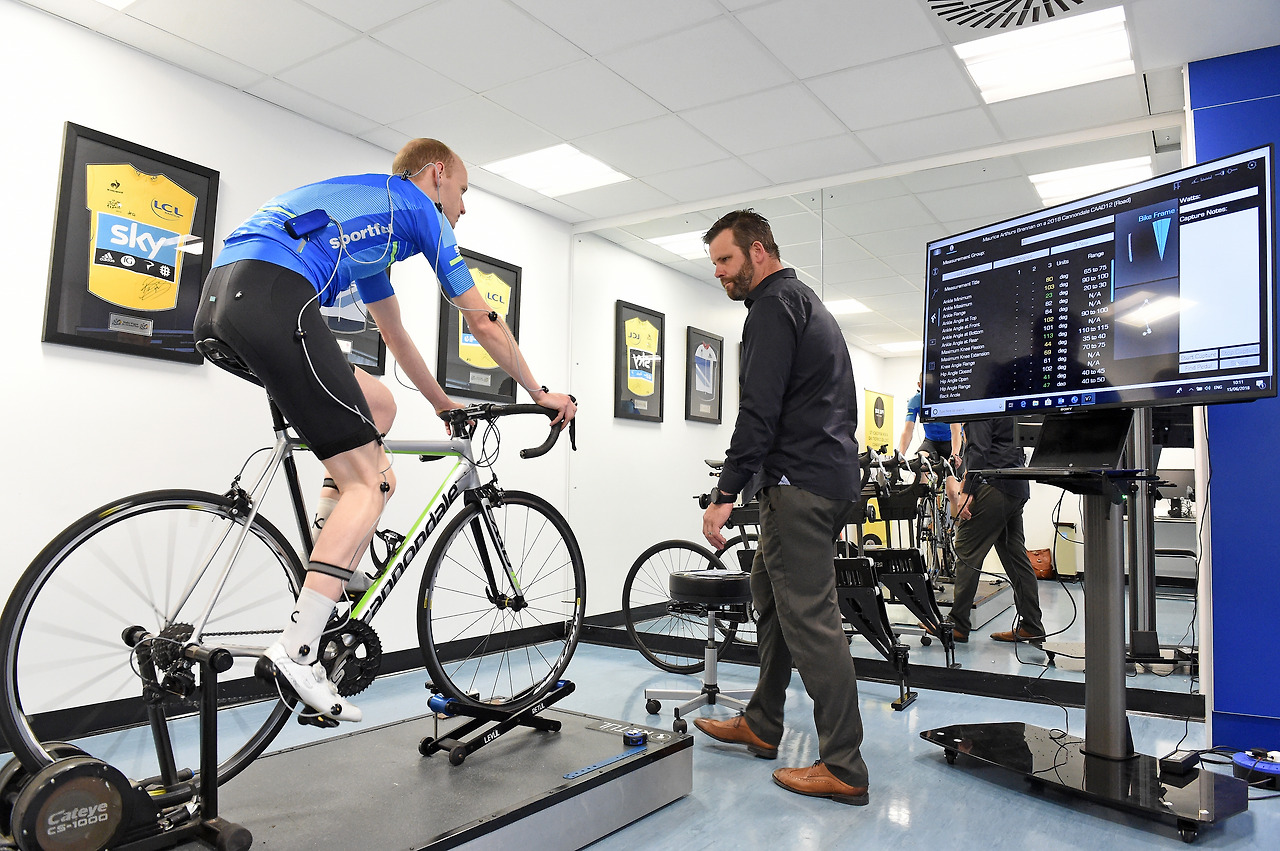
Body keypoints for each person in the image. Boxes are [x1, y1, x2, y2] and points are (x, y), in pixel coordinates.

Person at [193, 139, 576, 722]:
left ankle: (338, 564)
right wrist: (539, 391)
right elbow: (482, 317)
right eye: (464, 192)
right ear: (437, 174)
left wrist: (444, 402)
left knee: (378, 402)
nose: (463, 209)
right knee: (369, 485)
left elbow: (395, 337)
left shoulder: (375, 232)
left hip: (223, 301)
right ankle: (300, 650)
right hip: (275, 296)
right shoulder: (416, 207)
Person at [697, 209, 870, 806]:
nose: (720, 272)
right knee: (769, 599)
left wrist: (724, 494)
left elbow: (758, 414)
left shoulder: (773, 306)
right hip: (819, 478)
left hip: (798, 486)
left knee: (810, 620)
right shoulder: (802, 301)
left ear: (759, 252)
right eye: (714, 262)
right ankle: (763, 721)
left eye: (726, 259)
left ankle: (843, 765)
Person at [944, 419, 1045, 644]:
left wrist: (967, 491)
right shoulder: (1006, 401)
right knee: (1015, 557)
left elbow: (978, 448)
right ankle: (1032, 625)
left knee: (966, 551)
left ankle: (957, 624)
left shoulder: (981, 403)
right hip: (1016, 484)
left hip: (994, 484)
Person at [897, 374, 953, 461]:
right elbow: (908, 430)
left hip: (952, 442)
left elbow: (958, 431)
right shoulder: (916, 401)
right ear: (919, 385)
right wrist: (901, 454)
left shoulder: (948, 398)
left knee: (951, 473)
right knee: (920, 463)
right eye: (927, 386)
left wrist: (955, 454)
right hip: (931, 442)